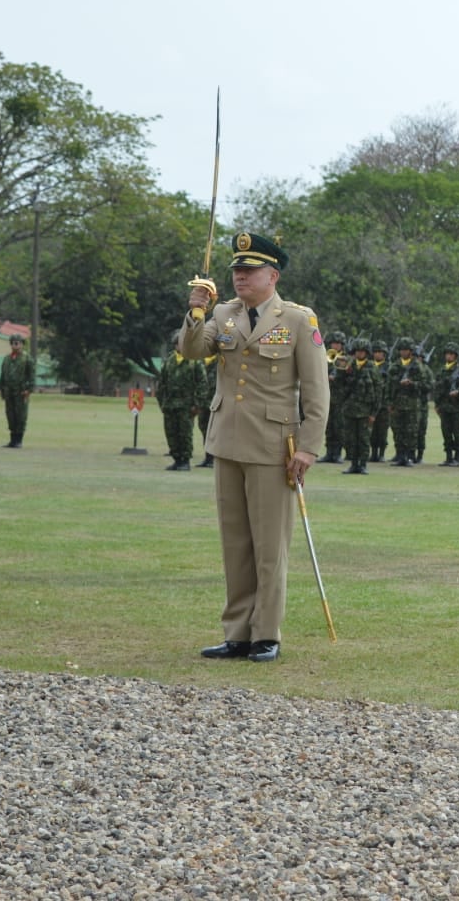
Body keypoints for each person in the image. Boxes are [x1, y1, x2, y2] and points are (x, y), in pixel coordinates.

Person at [182, 231, 329, 664]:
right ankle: (237, 634)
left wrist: (307, 449)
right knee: (236, 546)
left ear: (273, 275)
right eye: (236, 271)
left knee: (269, 547)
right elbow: (191, 351)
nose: (239, 277)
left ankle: (266, 633)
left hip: (273, 446)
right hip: (227, 441)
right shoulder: (223, 312)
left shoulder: (298, 320)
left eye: (249, 271)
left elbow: (317, 392)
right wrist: (194, 310)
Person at [155, 335, 201, 471]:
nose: (179, 346)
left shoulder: (194, 362)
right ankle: (176, 459)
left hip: (187, 406)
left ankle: (185, 461)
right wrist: (162, 403)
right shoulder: (169, 361)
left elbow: (202, 384)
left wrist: (197, 404)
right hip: (170, 405)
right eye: (178, 344)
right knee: (171, 433)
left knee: (185, 434)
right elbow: (161, 384)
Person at [338, 338, 381, 475]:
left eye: (362, 351)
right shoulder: (348, 365)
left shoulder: (372, 368)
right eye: (357, 351)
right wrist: (344, 371)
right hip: (350, 409)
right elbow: (340, 384)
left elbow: (378, 390)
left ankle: (362, 465)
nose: (360, 354)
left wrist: (374, 413)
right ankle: (353, 464)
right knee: (350, 438)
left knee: (363, 439)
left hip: (365, 411)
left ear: (367, 353)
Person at [386, 340, 431, 466]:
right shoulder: (395, 366)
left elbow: (425, 386)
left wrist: (412, 383)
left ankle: (410, 456)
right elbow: (389, 385)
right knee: (398, 430)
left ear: (411, 352)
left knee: (411, 431)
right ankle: (400, 455)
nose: (403, 352)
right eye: (401, 350)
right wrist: (389, 402)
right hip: (397, 403)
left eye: (406, 350)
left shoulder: (418, 366)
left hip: (412, 404)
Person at [0, 332, 35, 448]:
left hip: (21, 391)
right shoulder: (7, 359)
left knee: (21, 415)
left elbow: (31, 376)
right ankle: (12, 440)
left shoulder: (27, 358)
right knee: (10, 415)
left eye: (18, 343)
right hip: (9, 392)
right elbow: (3, 374)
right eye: (13, 343)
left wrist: (29, 389)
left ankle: (19, 440)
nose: (15, 345)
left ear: (22, 344)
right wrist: (0, 387)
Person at [434, 344, 459, 466]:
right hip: (444, 407)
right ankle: (448, 457)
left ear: (456, 356)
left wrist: (458, 392)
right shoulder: (442, 370)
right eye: (447, 353)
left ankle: (458, 458)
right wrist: (437, 404)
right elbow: (437, 388)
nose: (449, 356)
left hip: (456, 407)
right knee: (446, 432)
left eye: (451, 354)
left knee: (457, 433)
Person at [318, 331, 346, 463]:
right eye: (334, 343)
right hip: (327, 397)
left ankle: (337, 453)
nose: (336, 345)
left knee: (339, 427)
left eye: (338, 344)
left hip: (340, 398)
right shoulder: (325, 357)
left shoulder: (345, 359)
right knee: (328, 426)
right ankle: (329, 453)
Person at [368, 340, 391, 463]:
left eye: (380, 352)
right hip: (371, 403)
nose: (377, 354)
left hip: (383, 404)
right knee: (372, 430)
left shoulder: (388, 367)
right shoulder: (370, 366)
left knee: (382, 430)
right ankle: (373, 453)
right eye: (375, 352)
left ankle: (381, 453)